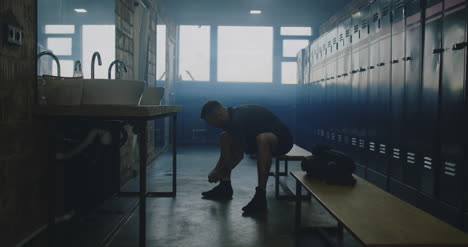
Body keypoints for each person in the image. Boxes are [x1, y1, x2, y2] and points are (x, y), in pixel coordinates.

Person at [200, 100, 293, 214]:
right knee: (225, 137)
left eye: (211, 122)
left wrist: (219, 172)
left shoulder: (236, 120)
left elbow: (238, 156)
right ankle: (225, 186)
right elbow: (229, 154)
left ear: (219, 115)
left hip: (282, 141)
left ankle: (260, 196)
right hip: (257, 138)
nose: (212, 126)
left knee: (263, 139)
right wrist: (216, 170)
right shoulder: (229, 119)